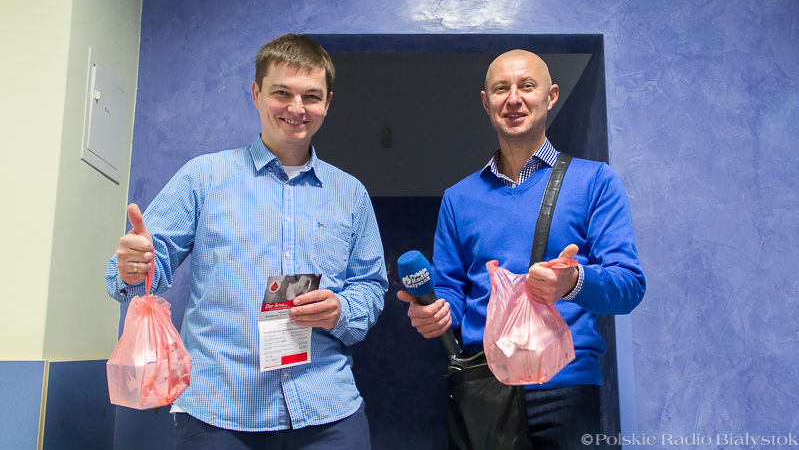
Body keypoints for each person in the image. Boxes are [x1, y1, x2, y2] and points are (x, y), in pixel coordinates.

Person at [106, 34, 388, 449]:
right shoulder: (203, 178)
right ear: (256, 94)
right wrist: (134, 266)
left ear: (327, 103)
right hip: (219, 413)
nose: (297, 108)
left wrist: (340, 310)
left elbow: (370, 287)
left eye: (311, 96)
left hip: (328, 409)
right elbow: (137, 272)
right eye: (282, 93)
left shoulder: (351, 194)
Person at [398, 49, 646, 449]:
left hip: (568, 390)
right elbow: (450, 292)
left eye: (527, 86)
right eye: (501, 89)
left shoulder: (596, 182)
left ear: (551, 96)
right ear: (486, 102)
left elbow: (629, 286)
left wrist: (573, 282)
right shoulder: (458, 199)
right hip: (485, 390)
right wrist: (435, 312)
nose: (513, 98)